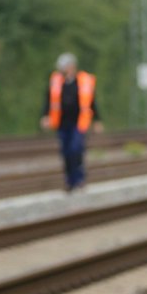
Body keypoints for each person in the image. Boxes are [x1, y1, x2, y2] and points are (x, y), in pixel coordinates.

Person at [40, 52, 99, 190]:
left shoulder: (83, 81)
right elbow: (48, 100)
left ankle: (79, 178)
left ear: (72, 66)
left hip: (79, 123)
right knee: (66, 152)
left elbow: (92, 101)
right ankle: (70, 181)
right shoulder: (56, 81)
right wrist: (45, 116)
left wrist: (97, 120)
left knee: (76, 149)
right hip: (62, 123)